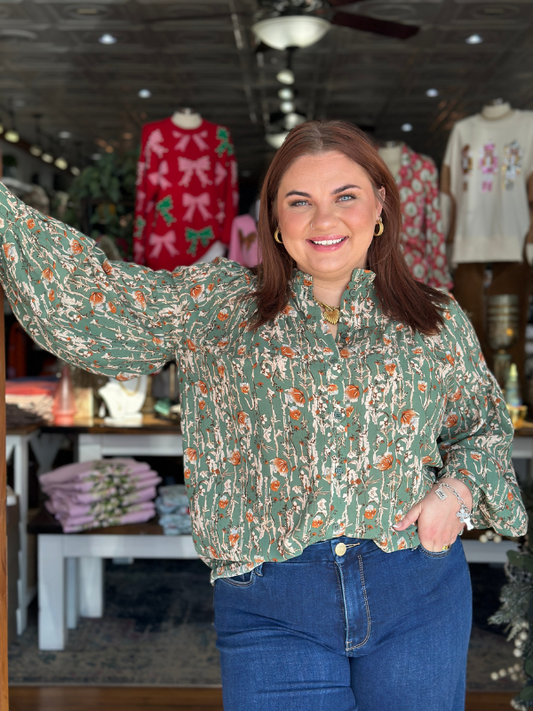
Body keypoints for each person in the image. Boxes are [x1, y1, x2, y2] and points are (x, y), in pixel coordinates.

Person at [0, 120, 527, 711]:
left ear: (381, 204)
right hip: (274, 602)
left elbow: (481, 428)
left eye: (345, 197)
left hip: (416, 590)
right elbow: (91, 299)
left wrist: (455, 494)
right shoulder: (219, 305)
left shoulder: (435, 317)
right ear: (274, 219)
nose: (324, 222)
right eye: (299, 202)